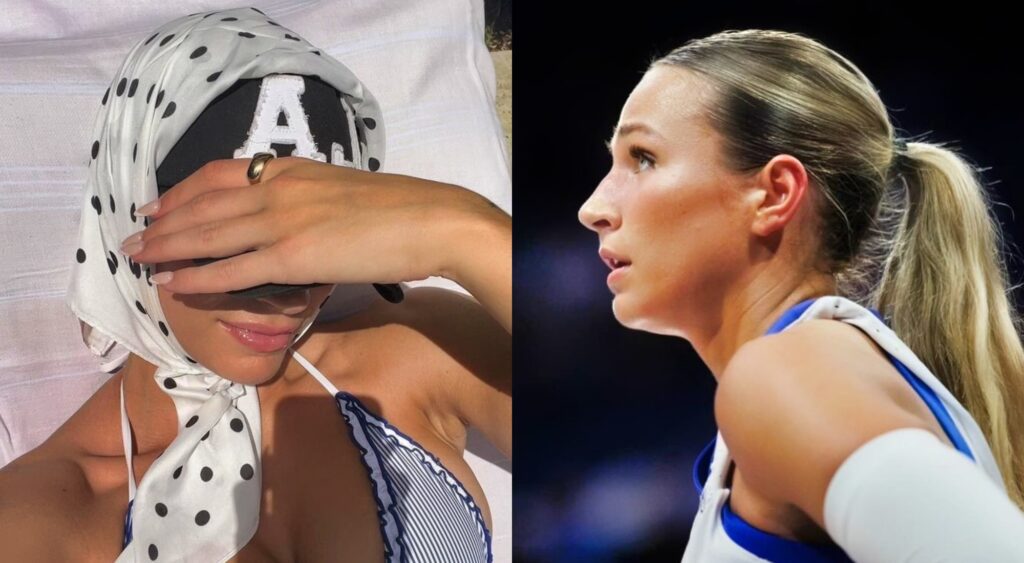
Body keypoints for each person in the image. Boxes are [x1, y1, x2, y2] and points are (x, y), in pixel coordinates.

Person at [0, 7, 510, 562]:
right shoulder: (41, 515)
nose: (286, 296)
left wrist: (465, 232)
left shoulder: (419, 353)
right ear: (124, 208)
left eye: (316, 240)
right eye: (221, 237)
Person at [577, 29, 1024, 561]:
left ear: (774, 194)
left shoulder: (785, 375)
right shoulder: (818, 369)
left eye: (643, 157)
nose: (593, 207)